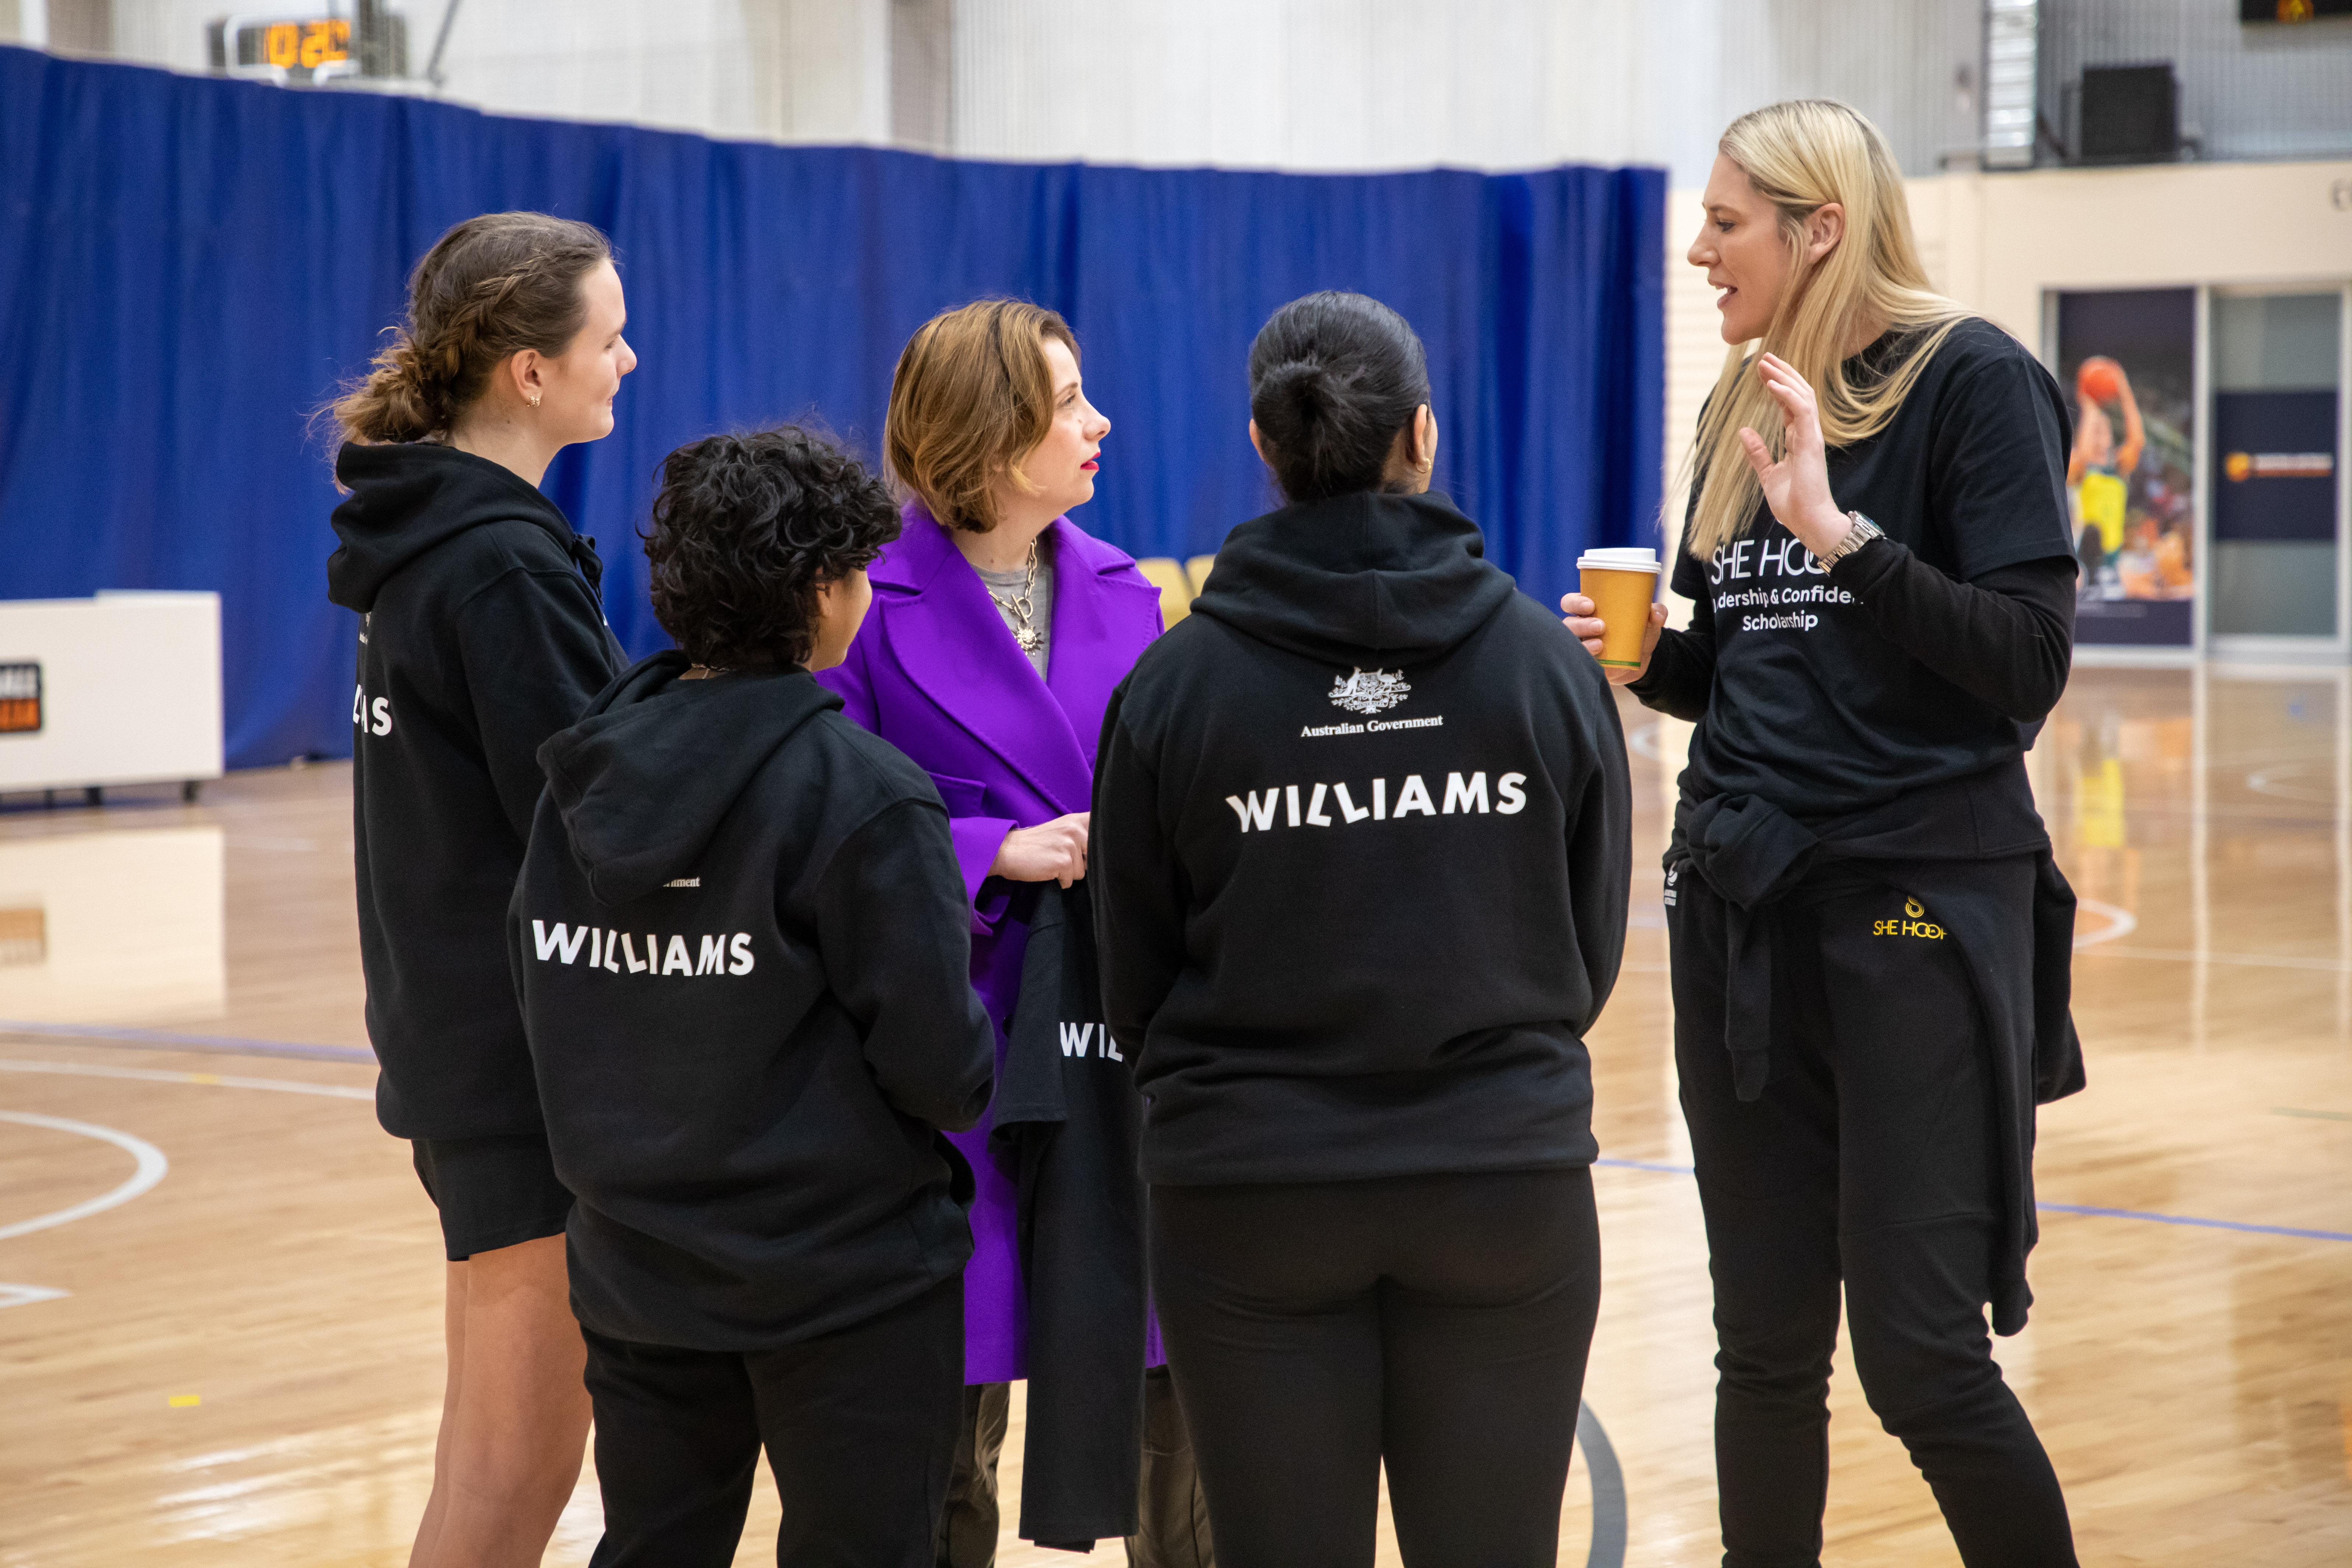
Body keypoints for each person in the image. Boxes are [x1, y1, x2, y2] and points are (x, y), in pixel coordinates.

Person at [1562, 99, 2085, 1568]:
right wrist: (1644, 658)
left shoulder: (1973, 382)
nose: (1697, 248)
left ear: (1820, 227)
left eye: (1726, 221)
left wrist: (1845, 534)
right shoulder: (1737, 401)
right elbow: (1734, 670)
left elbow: (2027, 663)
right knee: (1765, 1348)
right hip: (1748, 913)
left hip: (1917, 911)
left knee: (1921, 1355)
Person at [1091, 290, 1632, 1568]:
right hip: (1503, 1182)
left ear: (1265, 447)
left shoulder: (1173, 688)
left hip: (1251, 1200)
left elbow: (1134, 968)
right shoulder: (1544, 666)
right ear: (1424, 438)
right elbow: (1590, 945)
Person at [510, 427, 996, 1566]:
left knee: (656, 1545)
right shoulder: (867, 798)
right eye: (860, 574)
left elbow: (549, 1015)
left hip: (638, 1271)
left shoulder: (578, 784)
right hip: (849, 1285)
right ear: (822, 592)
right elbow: (942, 1069)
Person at [816, 298, 1208, 1564]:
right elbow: (812, 826)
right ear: (989, 441)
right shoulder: (860, 607)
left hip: (1111, 1054)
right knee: (944, 1444)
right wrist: (990, 848)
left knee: (1173, 1414)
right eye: (1067, 403)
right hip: (948, 1072)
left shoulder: (1125, 594)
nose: (1099, 423)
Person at [324, 210, 633, 1568]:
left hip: (457, 1043)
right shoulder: (499, 562)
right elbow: (599, 814)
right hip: (517, 1064)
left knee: (480, 1463)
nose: (627, 359)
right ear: (528, 371)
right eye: (608, 338)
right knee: (518, 1474)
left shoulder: (432, 543)